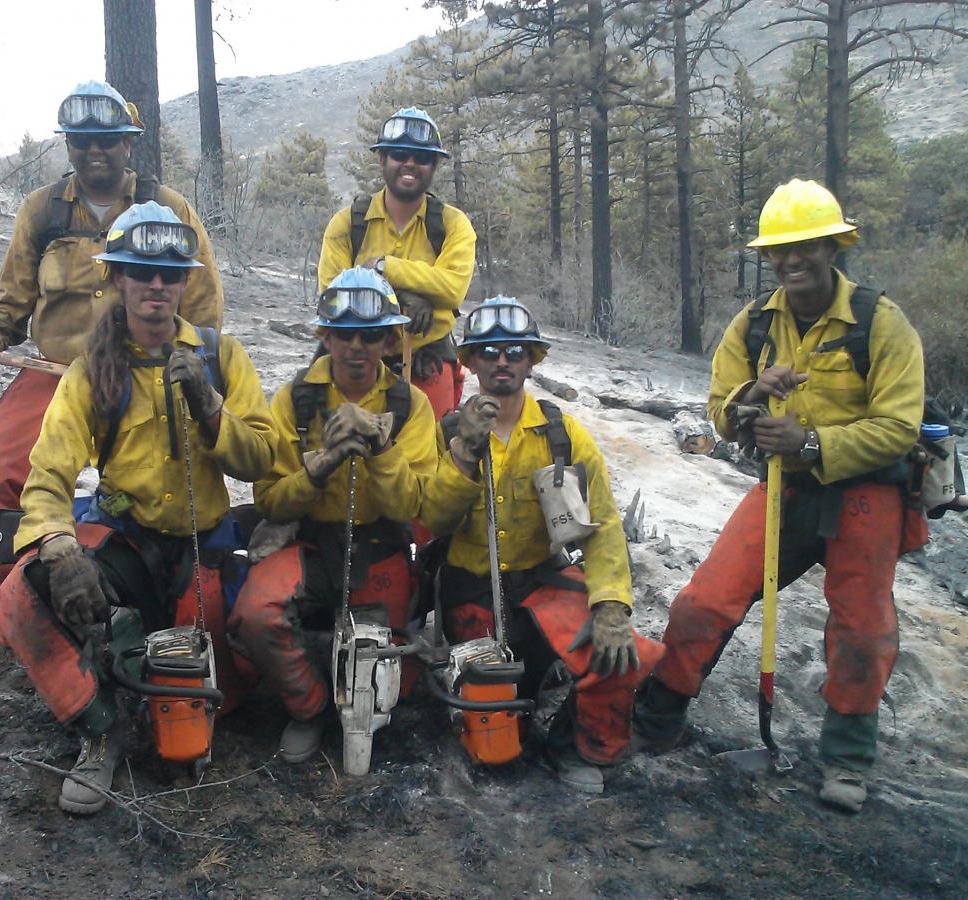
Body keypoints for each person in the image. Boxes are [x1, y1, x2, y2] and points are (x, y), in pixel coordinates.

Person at [631, 179, 926, 814]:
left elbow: (900, 426)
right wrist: (751, 400)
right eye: (779, 251)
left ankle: (846, 760)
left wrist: (813, 441)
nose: (792, 261)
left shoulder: (881, 323)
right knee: (706, 600)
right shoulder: (755, 324)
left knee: (862, 629)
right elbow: (720, 411)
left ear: (832, 247)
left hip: (865, 495)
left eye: (805, 246)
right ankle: (657, 720)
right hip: (785, 489)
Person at [0, 80, 224, 645]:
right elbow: (11, 300)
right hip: (54, 375)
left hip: (144, 374)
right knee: (2, 475)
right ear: (68, 145)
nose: (94, 150)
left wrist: (188, 361)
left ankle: (170, 595)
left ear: (129, 144)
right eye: (81, 140)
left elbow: (202, 303)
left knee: (172, 482)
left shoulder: (169, 210)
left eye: (107, 140)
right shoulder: (42, 210)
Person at [0, 201, 275, 815]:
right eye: (141, 272)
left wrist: (211, 407)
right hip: (127, 543)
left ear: (185, 282)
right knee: (19, 596)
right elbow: (48, 473)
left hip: (203, 549)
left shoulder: (223, 357)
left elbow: (261, 460)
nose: (157, 285)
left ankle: (145, 654)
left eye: (171, 274)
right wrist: (58, 546)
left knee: (229, 686)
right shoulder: (93, 370)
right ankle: (98, 730)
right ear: (116, 278)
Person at [418, 297, 665, 794]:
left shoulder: (562, 434)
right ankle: (528, 684)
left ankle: (576, 746)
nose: (501, 360)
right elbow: (432, 520)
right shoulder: (446, 432)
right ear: (469, 362)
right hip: (472, 589)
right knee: (494, 728)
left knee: (619, 655)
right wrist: (465, 452)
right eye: (488, 351)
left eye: (514, 350)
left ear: (532, 360)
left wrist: (611, 605)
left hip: (543, 582)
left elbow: (603, 526)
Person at [228, 268, 438, 763]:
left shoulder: (411, 405)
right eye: (344, 334)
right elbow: (271, 500)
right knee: (255, 615)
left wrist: (380, 449)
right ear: (325, 336)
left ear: (389, 341)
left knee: (390, 672)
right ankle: (310, 709)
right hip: (309, 544)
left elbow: (410, 505)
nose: (357, 347)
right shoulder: (296, 399)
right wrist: (318, 468)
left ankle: (358, 705)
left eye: (371, 335)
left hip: (380, 548)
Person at [317, 107, 476, 420]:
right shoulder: (347, 224)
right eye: (400, 154)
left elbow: (452, 289)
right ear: (382, 158)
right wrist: (403, 299)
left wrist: (382, 267)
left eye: (423, 157)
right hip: (352, 358)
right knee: (319, 430)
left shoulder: (453, 225)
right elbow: (331, 299)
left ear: (434, 165)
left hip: (427, 360)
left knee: (434, 444)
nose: (411, 163)